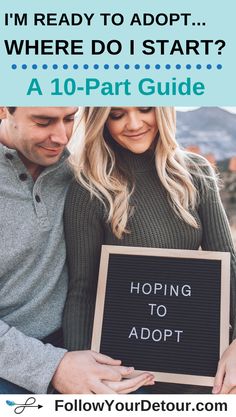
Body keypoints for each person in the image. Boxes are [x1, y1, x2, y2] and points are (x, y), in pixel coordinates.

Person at [63, 106, 236, 394]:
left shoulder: (196, 172)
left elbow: (228, 267)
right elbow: (81, 291)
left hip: (200, 363)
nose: (133, 124)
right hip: (125, 374)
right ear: (101, 121)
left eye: (145, 109)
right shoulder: (90, 188)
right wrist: (87, 381)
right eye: (116, 115)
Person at [0, 106, 154, 394]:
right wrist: (53, 366)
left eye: (70, 119)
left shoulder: (78, 174)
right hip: (11, 361)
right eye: (43, 121)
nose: (61, 137)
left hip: (76, 343)